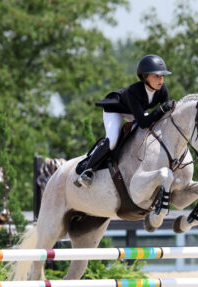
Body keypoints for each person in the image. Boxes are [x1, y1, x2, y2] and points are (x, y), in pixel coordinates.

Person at [74, 54, 175, 188]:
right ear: (145, 77)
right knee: (113, 140)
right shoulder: (134, 91)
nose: (161, 80)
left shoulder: (162, 89)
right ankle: (88, 170)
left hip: (135, 112)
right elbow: (143, 122)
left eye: (162, 76)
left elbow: (165, 114)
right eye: (156, 76)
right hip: (115, 110)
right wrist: (160, 110)